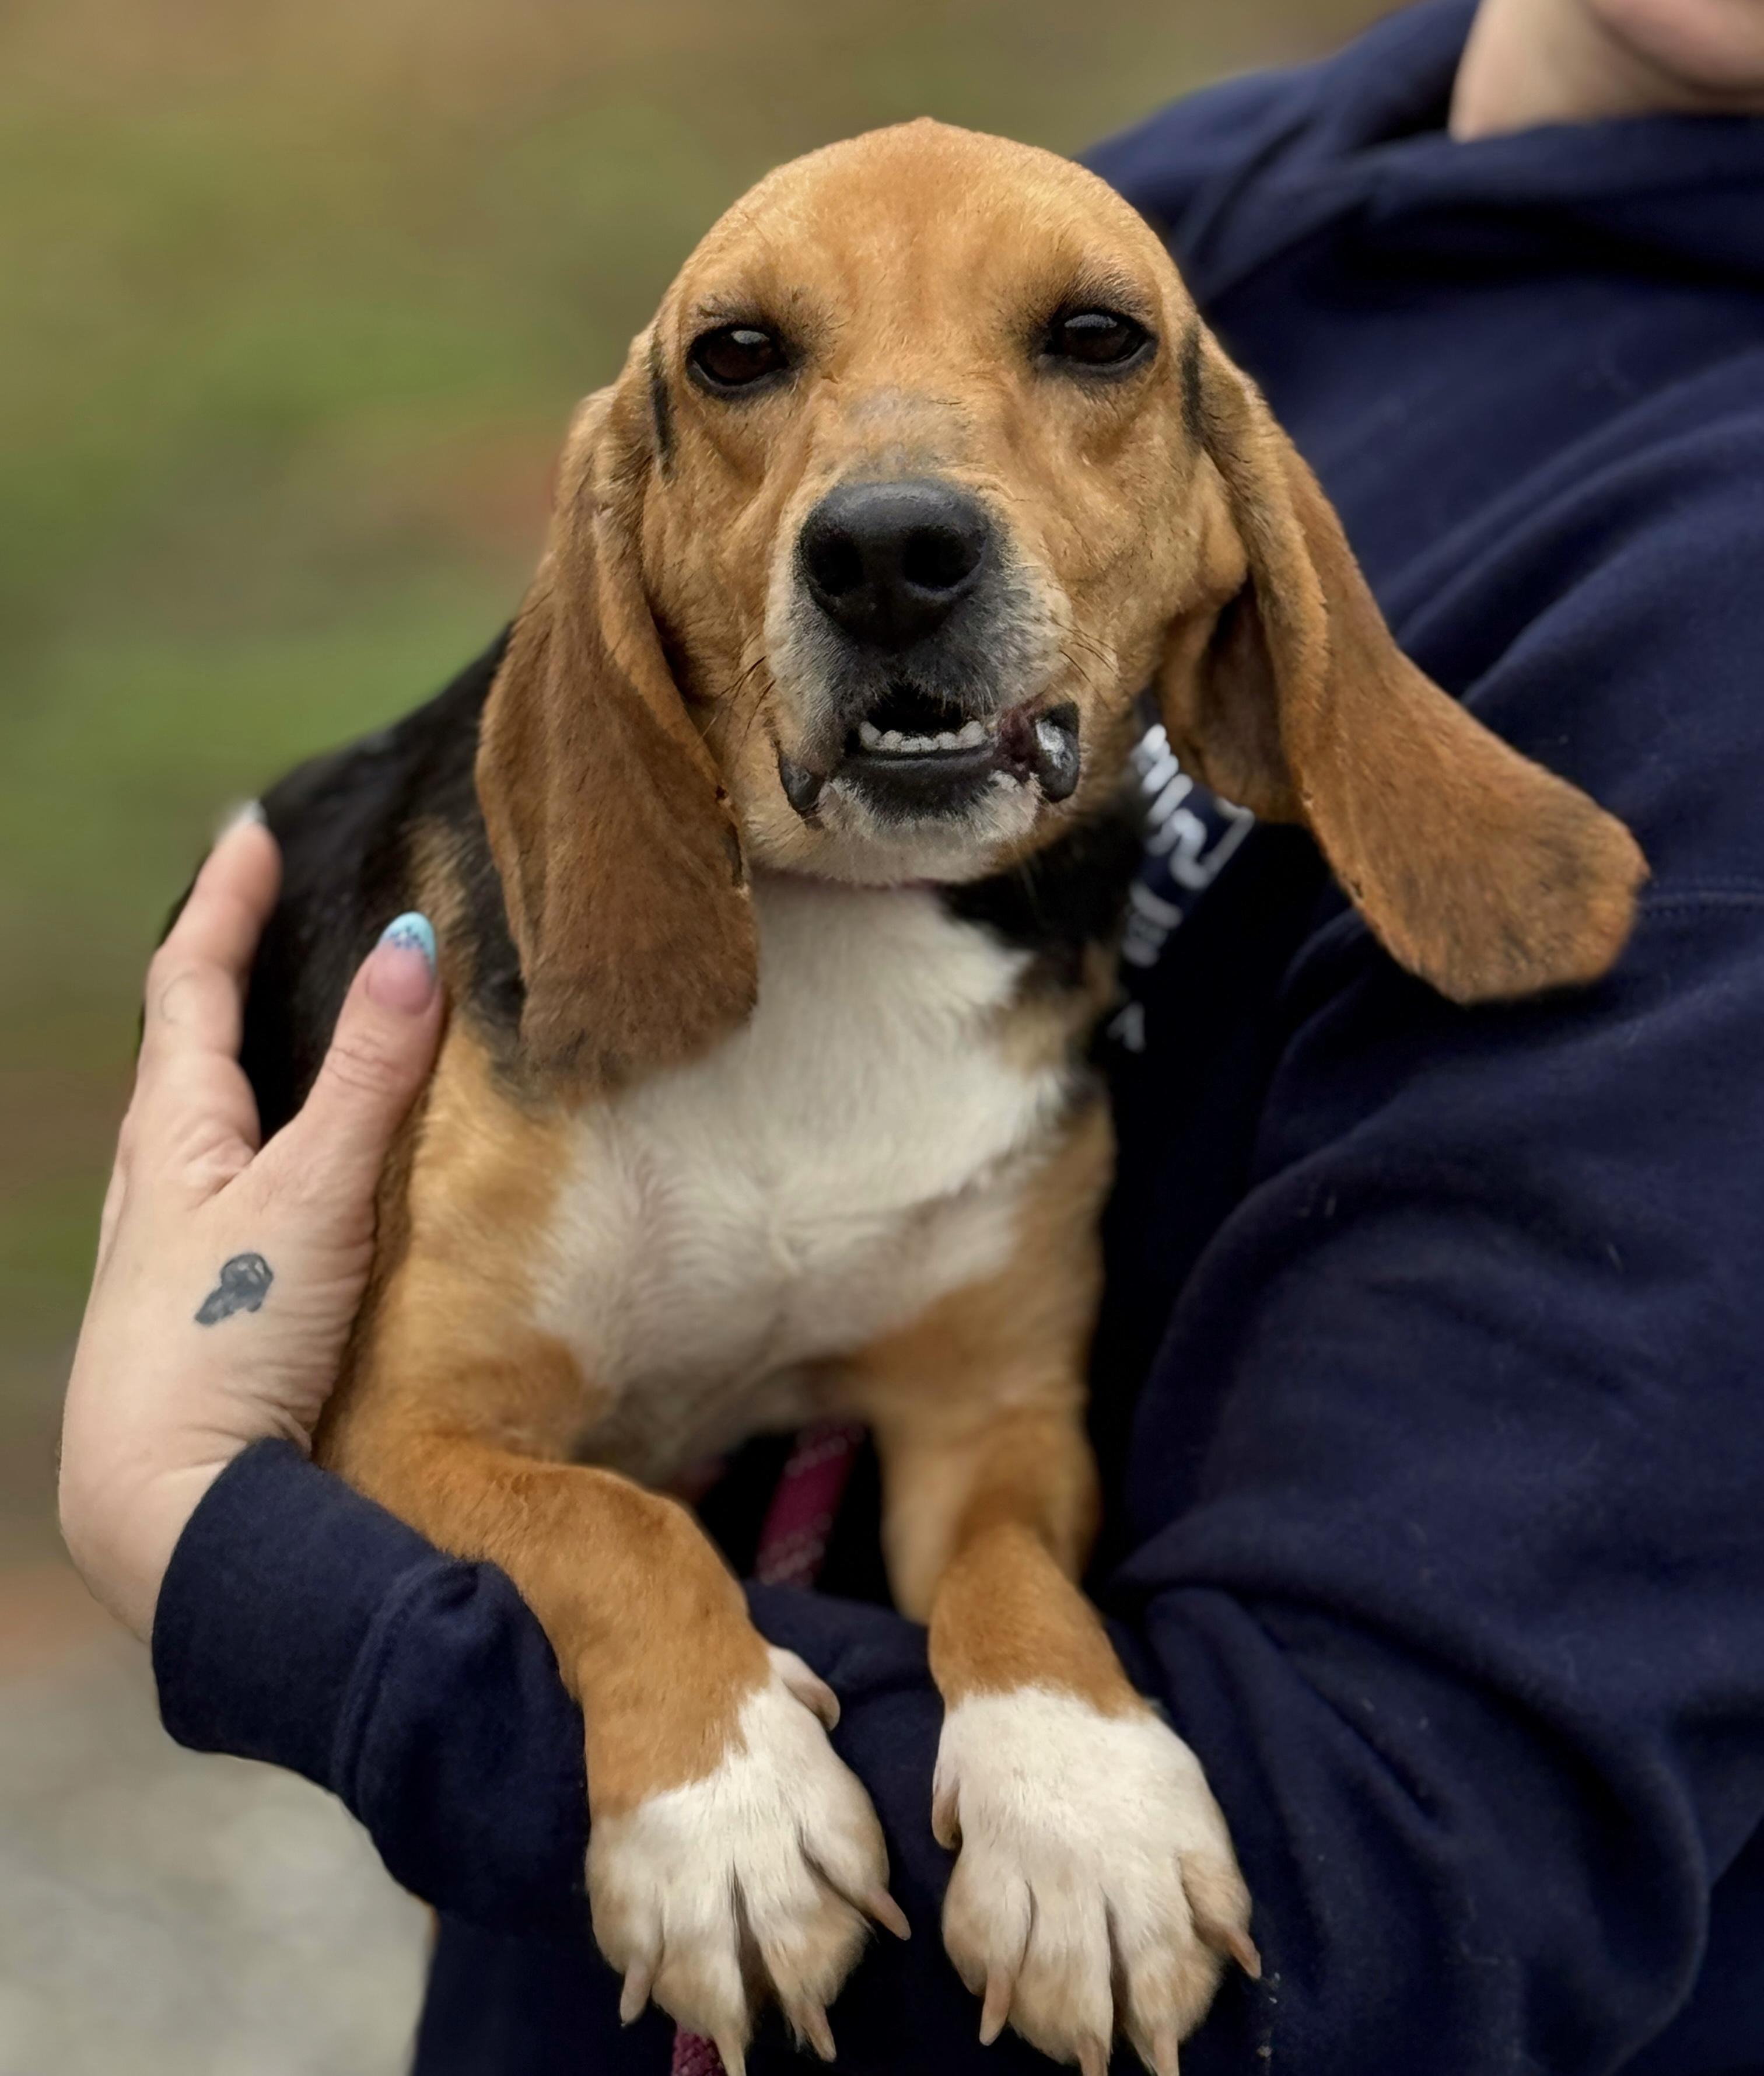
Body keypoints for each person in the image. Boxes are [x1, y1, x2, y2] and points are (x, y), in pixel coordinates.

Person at [58, 0, 1764, 2069]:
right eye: (753, 365)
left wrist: (206, 1536)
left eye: (1086, 352)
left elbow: (1383, 1899)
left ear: (1236, 559)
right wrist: (626, 1621)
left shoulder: (1707, 587)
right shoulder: (1218, 181)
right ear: (644, 544)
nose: (897, 513)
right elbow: (424, 1425)